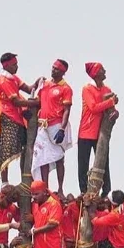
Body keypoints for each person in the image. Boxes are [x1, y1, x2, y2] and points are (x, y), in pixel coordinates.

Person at [0, 53, 42, 182]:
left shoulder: (14, 78)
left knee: (25, 149)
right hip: (8, 118)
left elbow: (28, 89)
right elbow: (16, 102)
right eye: (14, 64)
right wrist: (34, 103)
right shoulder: (4, 80)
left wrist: (37, 83)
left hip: (19, 119)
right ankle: (4, 182)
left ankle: (25, 178)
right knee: (6, 150)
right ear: (7, 65)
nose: (17, 66)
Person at [33, 59, 74, 194]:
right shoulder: (44, 84)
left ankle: (60, 188)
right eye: (53, 67)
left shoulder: (66, 88)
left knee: (58, 158)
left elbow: (67, 110)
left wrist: (62, 129)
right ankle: (45, 187)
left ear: (63, 72)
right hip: (43, 126)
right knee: (43, 158)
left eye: (57, 69)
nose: (53, 70)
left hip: (57, 125)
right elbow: (36, 99)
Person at [78, 61, 119, 193]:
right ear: (96, 74)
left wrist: (113, 108)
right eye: (102, 69)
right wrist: (111, 101)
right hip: (86, 132)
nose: (105, 71)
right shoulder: (87, 89)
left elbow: (111, 109)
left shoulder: (107, 90)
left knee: (104, 161)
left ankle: (106, 191)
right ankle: (84, 191)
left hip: (101, 134)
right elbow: (93, 108)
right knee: (83, 164)